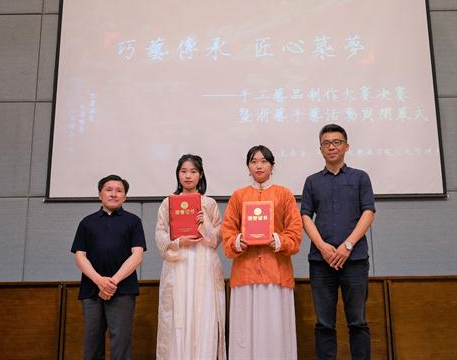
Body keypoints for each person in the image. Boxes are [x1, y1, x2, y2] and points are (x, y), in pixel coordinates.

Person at [301, 124, 376, 360]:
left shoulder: (360, 177)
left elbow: (368, 212)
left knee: (358, 322)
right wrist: (322, 247)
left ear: (346, 146)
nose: (331, 147)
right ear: (320, 149)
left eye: (336, 142)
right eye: (326, 143)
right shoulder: (312, 181)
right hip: (321, 262)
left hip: (354, 260)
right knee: (324, 324)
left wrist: (347, 246)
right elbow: (305, 216)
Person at [221, 145, 303, 360]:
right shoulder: (238, 196)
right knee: (244, 331)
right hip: (245, 273)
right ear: (248, 167)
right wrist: (238, 241)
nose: (259, 165)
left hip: (276, 272)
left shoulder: (284, 194)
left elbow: (295, 232)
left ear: (272, 166)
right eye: (254, 161)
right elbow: (228, 231)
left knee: (275, 329)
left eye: (264, 161)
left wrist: (278, 240)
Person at [155, 154, 226, 360]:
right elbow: (160, 234)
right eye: (184, 171)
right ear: (178, 174)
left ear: (200, 175)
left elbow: (217, 238)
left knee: (204, 314)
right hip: (179, 262)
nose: (188, 176)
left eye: (193, 172)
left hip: (204, 262)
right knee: (179, 313)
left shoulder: (209, 203)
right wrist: (178, 242)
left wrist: (206, 224)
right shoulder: (168, 202)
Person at [71, 174, 147, 360]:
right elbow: (80, 256)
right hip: (91, 289)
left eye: (119, 191)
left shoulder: (133, 221)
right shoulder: (87, 222)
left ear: (125, 197)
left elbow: (137, 255)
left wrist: (112, 282)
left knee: (121, 341)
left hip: (123, 289)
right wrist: (99, 281)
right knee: (92, 342)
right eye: (109, 190)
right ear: (100, 194)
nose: (114, 194)